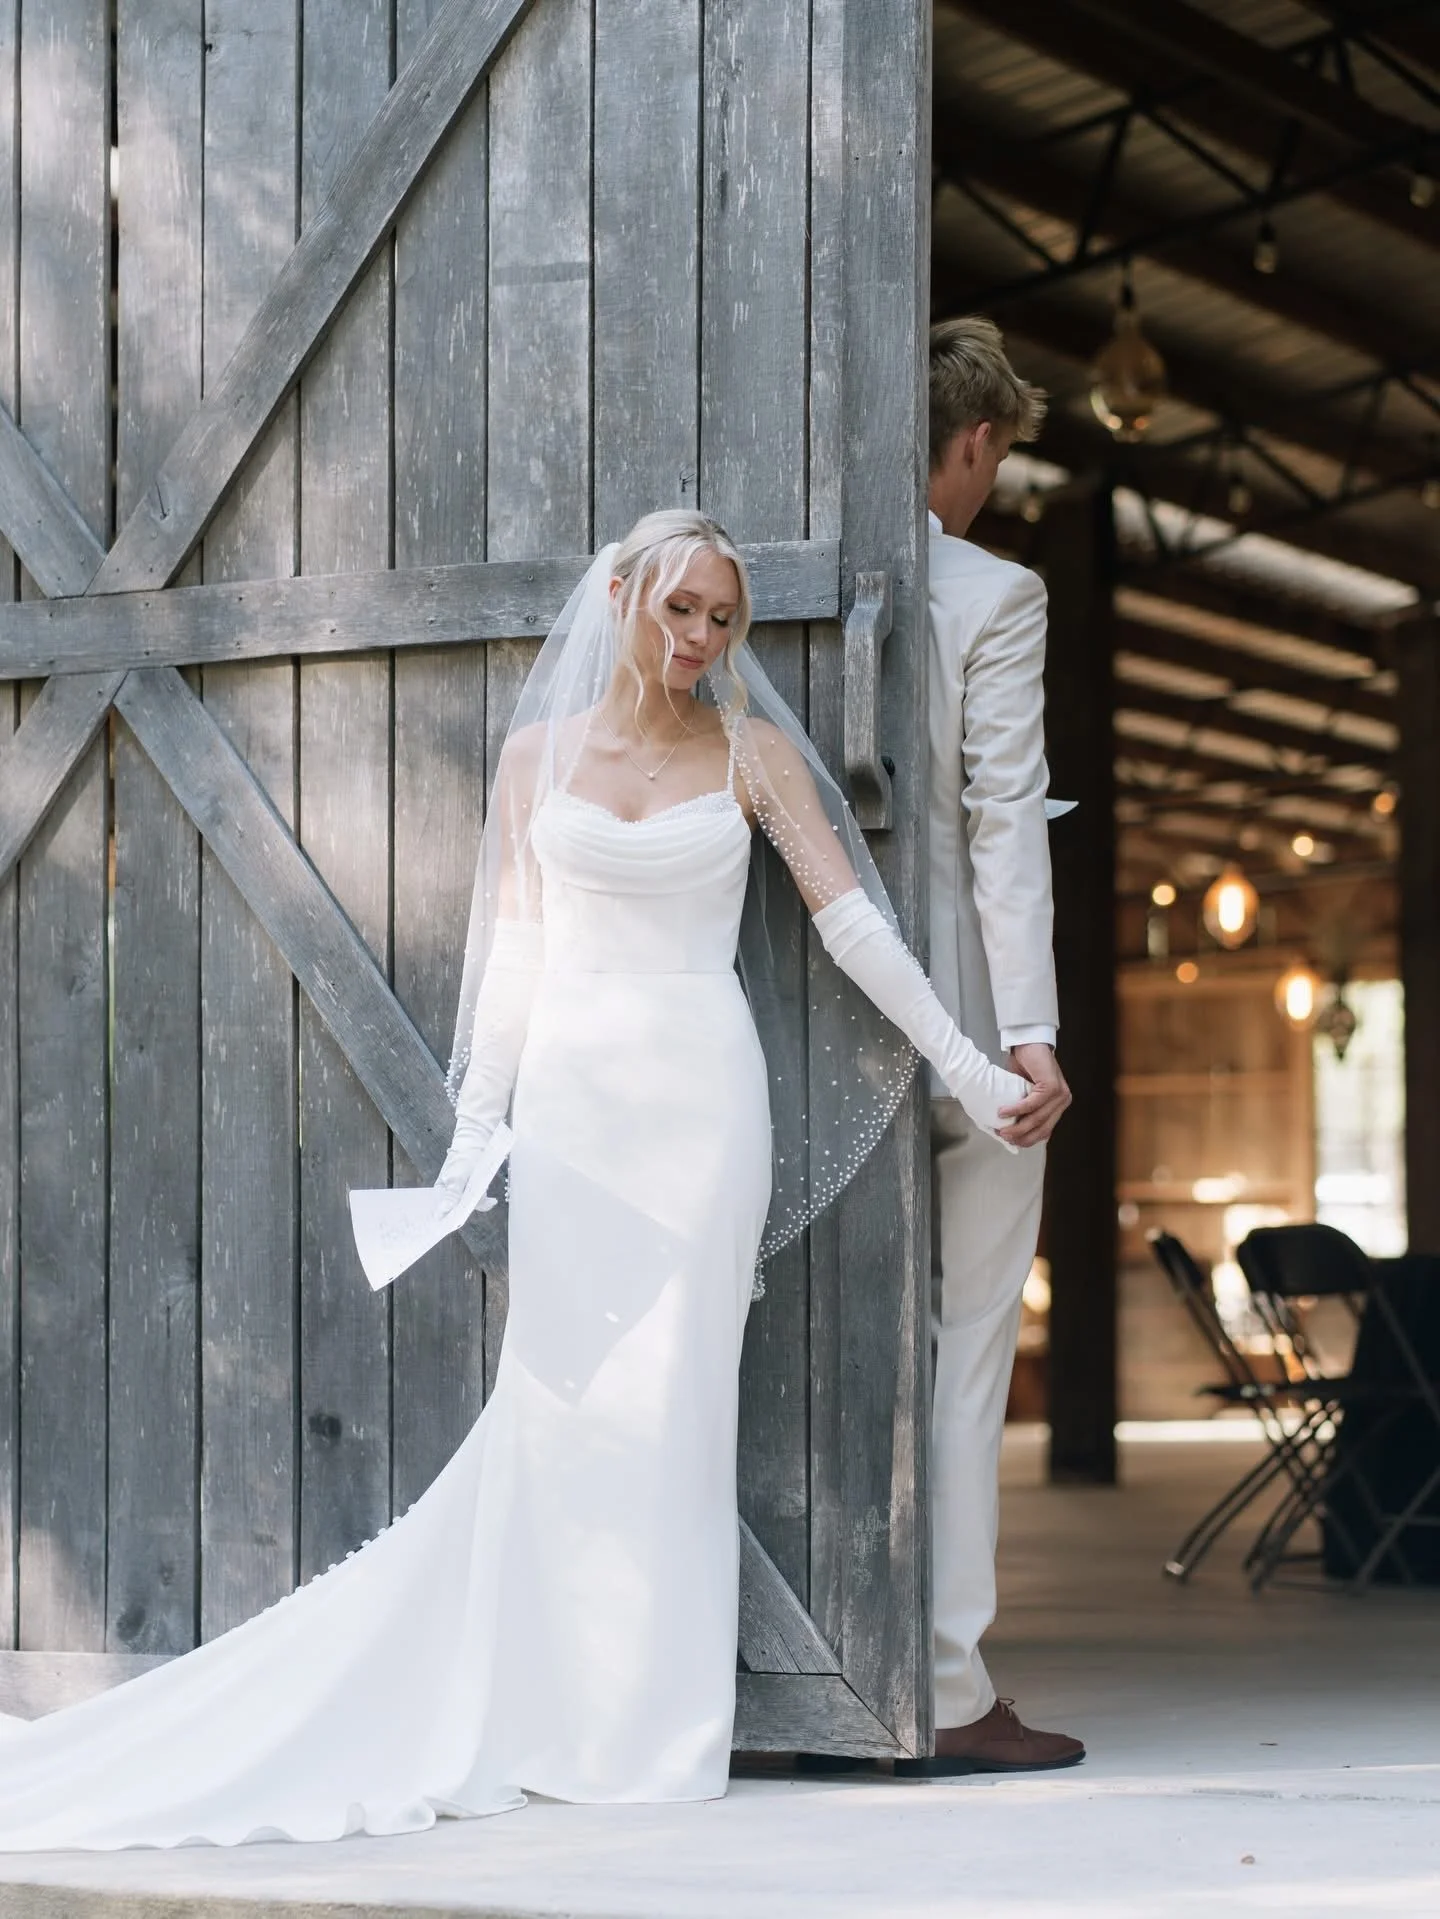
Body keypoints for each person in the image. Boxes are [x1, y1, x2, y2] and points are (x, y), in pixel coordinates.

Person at [0, 509, 1048, 1850]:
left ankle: (653, 1733)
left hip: (702, 1101)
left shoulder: (751, 751)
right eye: (681, 610)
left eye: (722, 619)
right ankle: (551, 1707)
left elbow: (854, 928)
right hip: (572, 1106)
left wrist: (970, 1066)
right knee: (564, 1408)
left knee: (679, 1403)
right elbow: (511, 960)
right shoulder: (536, 757)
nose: (702, 640)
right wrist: (472, 1138)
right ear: (620, 597)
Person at [900, 318, 1083, 1778]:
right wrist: (1030, 1035)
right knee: (967, 1356)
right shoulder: (992, 593)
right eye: (1001, 456)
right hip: (958, 1001)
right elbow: (1002, 821)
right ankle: (951, 1687)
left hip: (804, 1002)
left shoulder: (753, 577)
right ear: (974, 442)